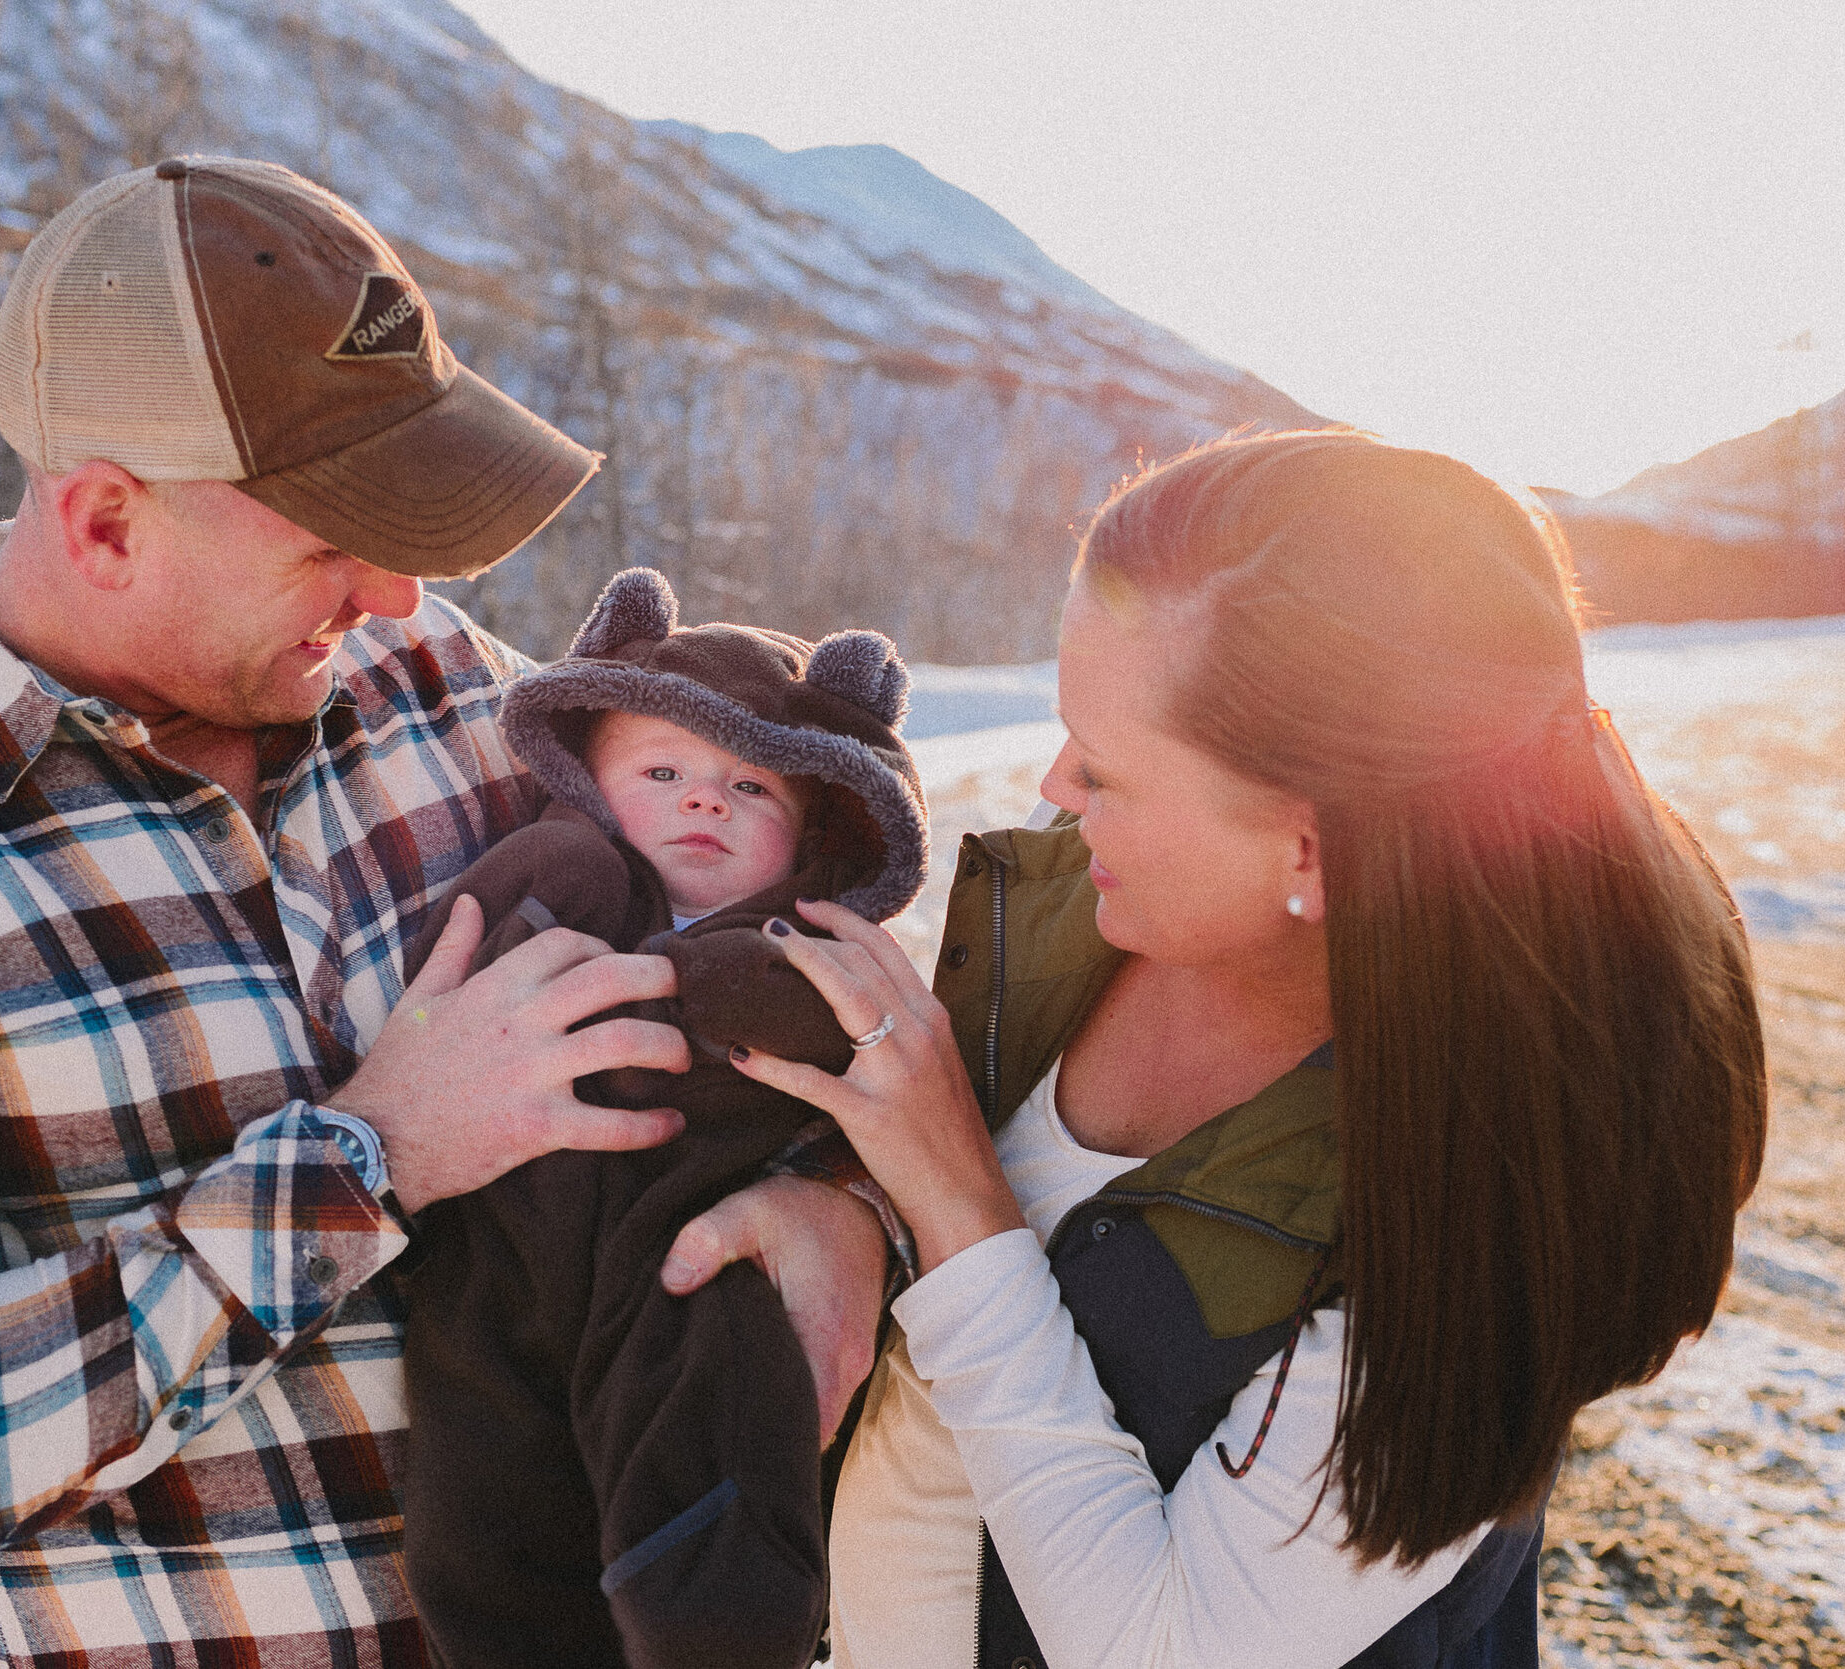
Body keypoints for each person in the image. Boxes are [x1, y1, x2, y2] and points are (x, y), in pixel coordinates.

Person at [0, 156, 887, 1668]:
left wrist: (843, 1209)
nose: (403, 594)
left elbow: (735, 973)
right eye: (332, 535)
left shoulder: (445, 696)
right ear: (103, 524)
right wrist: (373, 1156)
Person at [722, 431, 1769, 1668]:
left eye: (1105, 768)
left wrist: (952, 1197)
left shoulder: (1502, 1198)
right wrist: (847, 1198)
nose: (1055, 784)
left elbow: (1164, 1645)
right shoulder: (1086, 907)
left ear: (1313, 849)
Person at [395, 565, 925, 1669]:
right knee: (479, 1487)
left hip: (682, 1247)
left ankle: (721, 1635)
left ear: (818, 828)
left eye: (753, 789)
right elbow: (454, 973)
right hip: (508, 1251)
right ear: (586, 777)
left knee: (718, 1421)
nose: (703, 801)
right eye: (665, 770)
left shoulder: (814, 953)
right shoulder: (558, 873)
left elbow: (879, 1080)